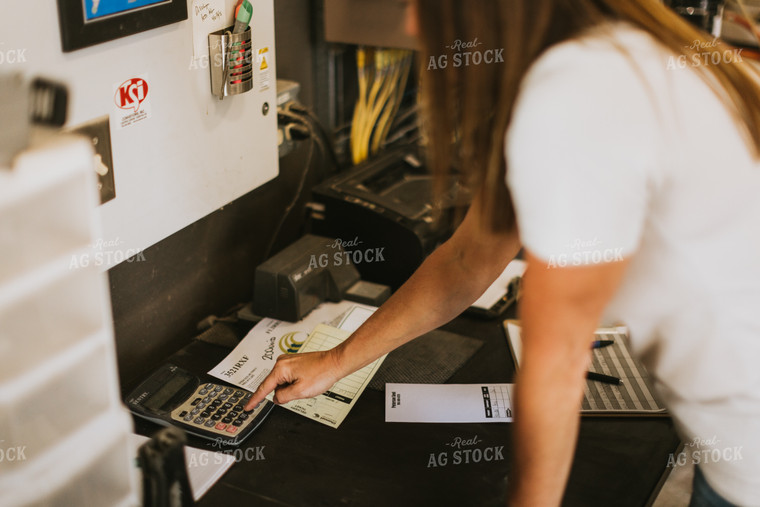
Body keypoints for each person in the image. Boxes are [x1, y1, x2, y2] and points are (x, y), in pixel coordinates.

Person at [246, 1, 760, 505]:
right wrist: (338, 359)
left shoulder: (575, 90)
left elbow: (556, 361)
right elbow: (468, 259)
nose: (409, 21)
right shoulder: (607, 52)